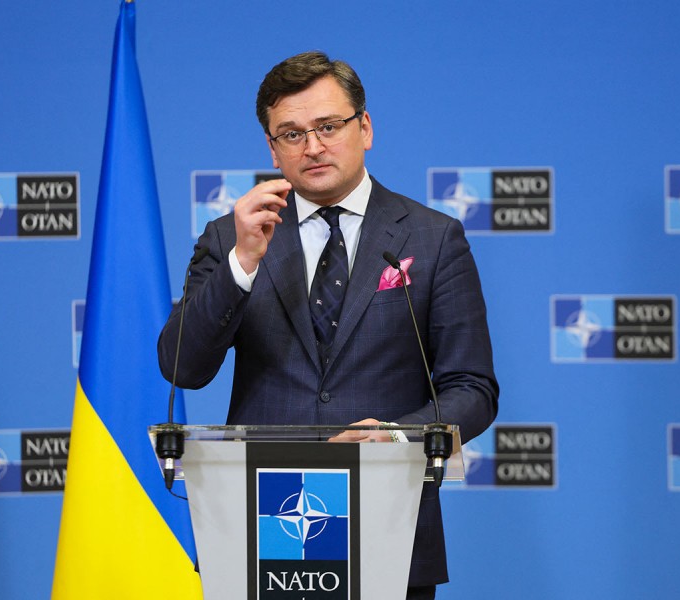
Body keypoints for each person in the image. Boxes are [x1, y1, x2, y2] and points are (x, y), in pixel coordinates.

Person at [158, 50, 499, 600]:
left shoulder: (434, 239)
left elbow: (472, 388)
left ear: (365, 128)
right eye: (292, 134)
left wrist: (398, 435)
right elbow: (184, 368)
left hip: (387, 527)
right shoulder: (231, 238)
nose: (312, 146)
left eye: (328, 126)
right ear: (272, 148)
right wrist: (241, 264)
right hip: (259, 532)